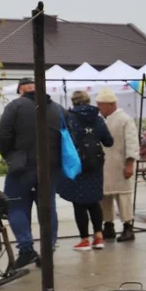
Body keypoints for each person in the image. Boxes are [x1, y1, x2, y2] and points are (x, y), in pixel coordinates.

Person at [0, 77, 62, 269]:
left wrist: (11, 155)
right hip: (50, 168)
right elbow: (68, 135)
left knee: (15, 206)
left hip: (21, 167)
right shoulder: (57, 109)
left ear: (21, 91)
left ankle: (26, 248)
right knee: (48, 208)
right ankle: (47, 250)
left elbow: (0, 134)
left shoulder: (15, 107)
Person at [58, 91, 114, 251]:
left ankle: (84, 240)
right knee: (94, 201)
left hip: (77, 164)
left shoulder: (69, 118)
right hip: (95, 164)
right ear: (89, 101)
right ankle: (99, 238)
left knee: (79, 202)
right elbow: (109, 142)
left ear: (74, 102)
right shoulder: (97, 118)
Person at [96, 88, 139, 242]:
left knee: (124, 196)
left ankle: (128, 227)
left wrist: (130, 164)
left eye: (100, 104)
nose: (98, 107)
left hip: (120, 165)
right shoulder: (100, 119)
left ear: (110, 104)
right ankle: (108, 226)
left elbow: (132, 143)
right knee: (104, 196)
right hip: (103, 166)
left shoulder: (125, 119)